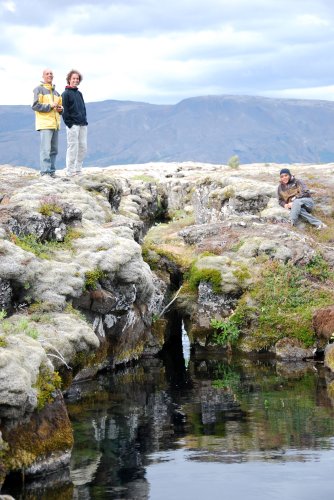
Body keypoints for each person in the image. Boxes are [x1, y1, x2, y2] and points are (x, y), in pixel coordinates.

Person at [32, 68, 63, 177]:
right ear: (43, 76)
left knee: (54, 150)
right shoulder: (38, 89)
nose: (49, 75)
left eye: (51, 74)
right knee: (45, 149)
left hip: (55, 124)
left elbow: (60, 109)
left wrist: (61, 109)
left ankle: (52, 172)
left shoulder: (57, 93)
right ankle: (45, 172)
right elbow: (35, 106)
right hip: (45, 124)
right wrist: (50, 106)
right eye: (47, 74)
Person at [61, 69, 88, 176]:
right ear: (69, 79)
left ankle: (78, 168)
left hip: (82, 124)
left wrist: (84, 120)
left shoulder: (79, 93)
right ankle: (70, 170)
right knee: (73, 147)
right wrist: (69, 123)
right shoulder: (65, 94)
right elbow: (64, 110)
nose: (76, 80)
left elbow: (83, 108)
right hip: (73, 125)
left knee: (83, 147)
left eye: (77, 79)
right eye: (73, 78)